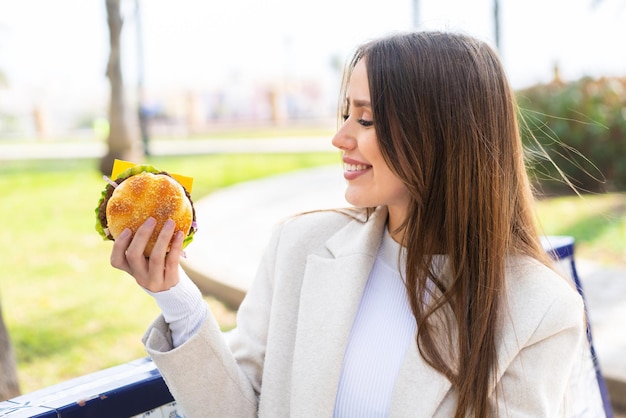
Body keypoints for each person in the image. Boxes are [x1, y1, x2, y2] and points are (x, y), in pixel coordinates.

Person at [110, 31, 603, 417]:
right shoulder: (299, 247)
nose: (339, 138)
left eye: (365, 120)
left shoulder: (540, 311)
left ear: (440, 135)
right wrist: (175, 295)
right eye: (345, 113)